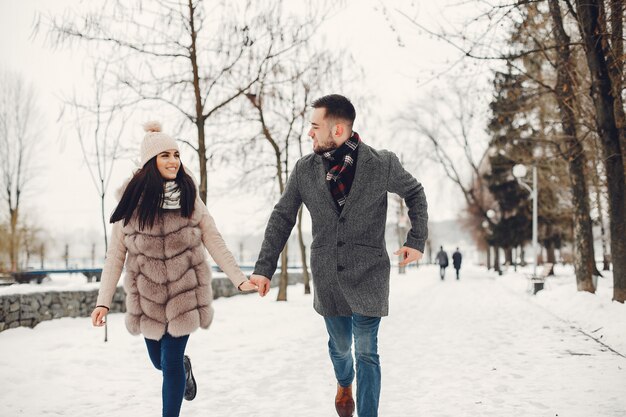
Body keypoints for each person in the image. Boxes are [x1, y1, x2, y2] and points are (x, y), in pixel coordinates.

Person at [249, 95, 428, 417]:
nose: (309, 133)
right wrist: (264, 268)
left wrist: (416, 240)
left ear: (339, 129)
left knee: (367, 351)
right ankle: (344, 382)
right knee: (342, 347)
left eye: (315, 127)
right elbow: (282, 217)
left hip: (370, 272)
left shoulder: (382, 163)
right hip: (328, 275)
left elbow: (415, 192)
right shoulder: (304, 170)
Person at [90, 122, 257, 417]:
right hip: (148, 301)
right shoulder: (131, 206)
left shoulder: (190, 198)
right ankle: (185, 367)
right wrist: (102, 301)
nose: (173, 161)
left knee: (169, 364)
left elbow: (213, 239)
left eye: (176, 154)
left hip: (184, 296)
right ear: (150, 163)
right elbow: (115, 256)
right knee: (159, 361)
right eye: (165, 155)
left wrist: (239, 279)